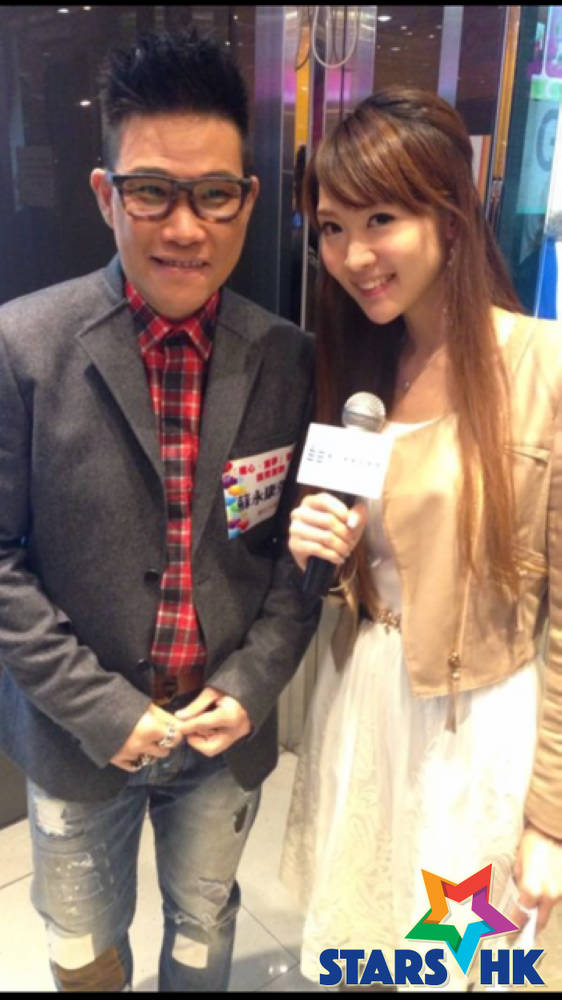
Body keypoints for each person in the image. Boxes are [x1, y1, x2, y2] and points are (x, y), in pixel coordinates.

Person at [0, 29, 318, 993]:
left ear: (247, 200)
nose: (185, 227)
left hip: (222, 730)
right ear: (106, 194)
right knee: (81, 939)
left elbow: (298, 561)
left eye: (213, 194)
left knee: (204, 923)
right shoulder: (24, 347)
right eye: (152, 192)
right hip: (76, 731)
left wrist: (253, 686)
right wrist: (103, 710)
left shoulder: (287, 357)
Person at [280, 86, 562, 991]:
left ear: (450, 211)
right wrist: (317, 545)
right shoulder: (358, 367)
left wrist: (551, 818)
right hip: (362, 700)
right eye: (332, 228)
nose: (354, 256)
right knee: (367, 942)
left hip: (474, 725)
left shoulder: (541, 367)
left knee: (457, 962)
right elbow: (372, 559)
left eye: (381, 219)